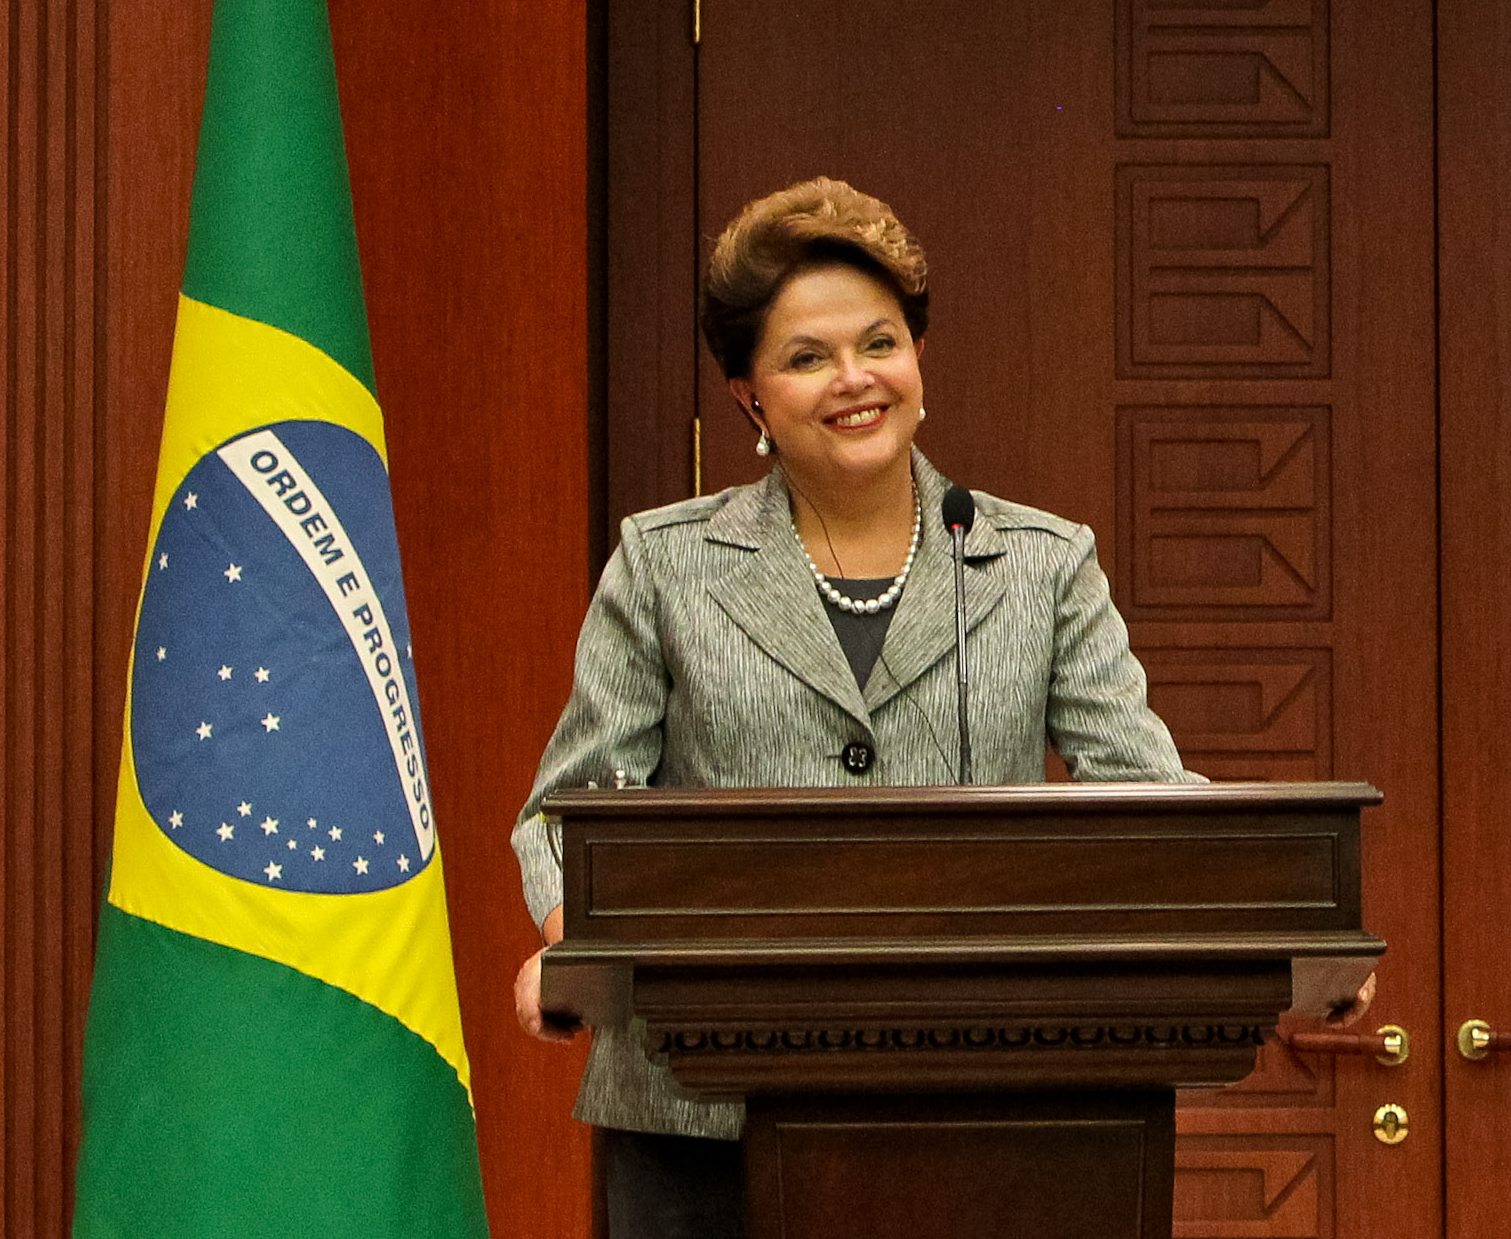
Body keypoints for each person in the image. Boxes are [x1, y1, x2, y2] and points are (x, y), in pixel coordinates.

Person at [510, 178, 1191, 1239]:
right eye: (806, 357)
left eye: (879, 343)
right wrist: (575, 944)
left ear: (918, 359)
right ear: (749, 395)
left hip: (983, 1111)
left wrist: (1298, 930)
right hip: (698, 1117)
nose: (853, 380)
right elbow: (569, 812)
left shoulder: (1040, 564)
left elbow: (1149, 798)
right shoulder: (666, 564)